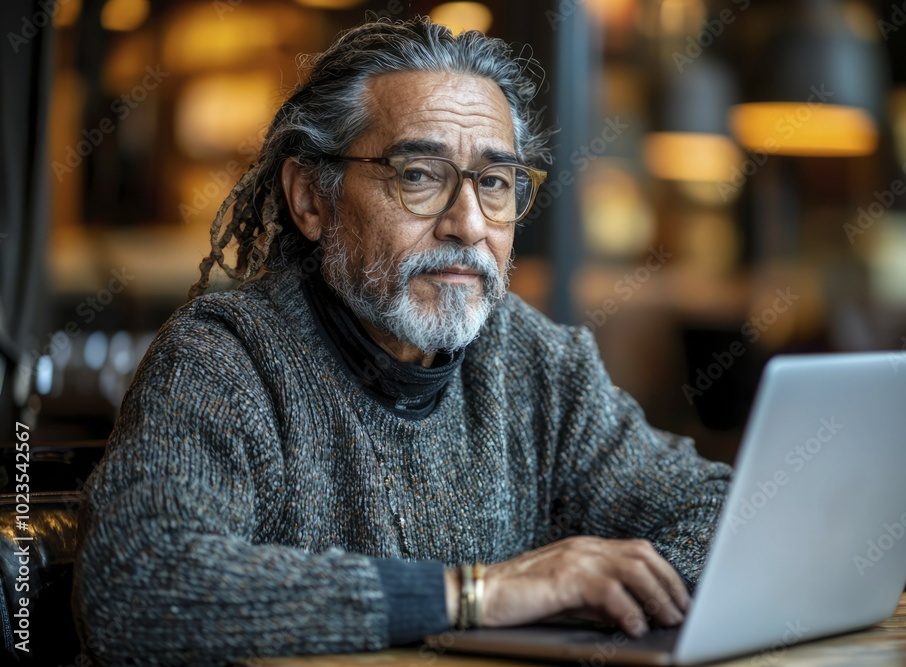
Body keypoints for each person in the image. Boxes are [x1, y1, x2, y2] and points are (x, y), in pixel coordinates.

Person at [73, 16, 731, 667]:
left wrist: (593, 591)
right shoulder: (223, 362)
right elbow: (136, 584)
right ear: (310, 198)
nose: (468, 224)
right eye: (419, 174)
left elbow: (727, 512)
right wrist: (479, 594)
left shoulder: (539, 363)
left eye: (495, 182)